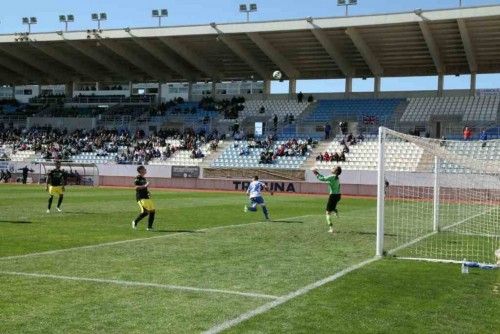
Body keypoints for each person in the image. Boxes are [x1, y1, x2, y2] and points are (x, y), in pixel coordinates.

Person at [312, 166, 342, 233]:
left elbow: (322, 179)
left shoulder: (332, 176)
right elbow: (325, 179)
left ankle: (331, 228)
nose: (332, 168)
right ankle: (335, 211)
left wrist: (315, 173)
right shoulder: (336, 177)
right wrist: (318, 173)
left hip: (333, 196)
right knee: (332, 207)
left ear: (336, 171)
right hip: (338, 196)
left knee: (327, 213)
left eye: (333, 168)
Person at [132, 165, 156, 231]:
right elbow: (136, 187)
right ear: (141, 170)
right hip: (141, 197)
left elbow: (144, 188)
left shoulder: (144, 178)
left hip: (146, 197)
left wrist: (148, 191)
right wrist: (146, 185)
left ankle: (149, 227)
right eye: (144, 169)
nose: (145, 170)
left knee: (152, 211)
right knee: (145, 212)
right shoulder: (138, 178)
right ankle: (135, 221)